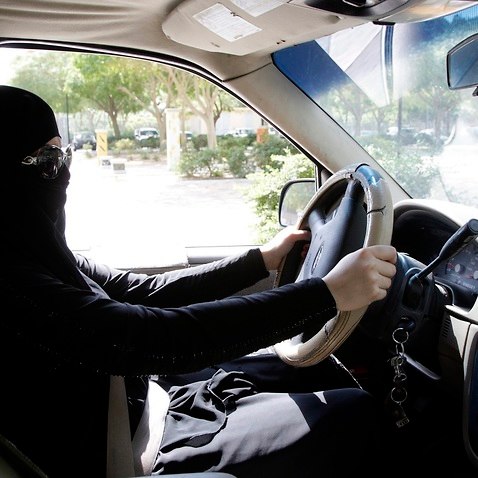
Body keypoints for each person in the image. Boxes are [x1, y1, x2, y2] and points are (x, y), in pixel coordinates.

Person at [0, 85, 397, 478]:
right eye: (48, 161)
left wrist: (260, 261)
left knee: (312, 373)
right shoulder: (12, 284)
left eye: (64, 154)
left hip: (138, 401)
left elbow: (141, 292)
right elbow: (140, 337)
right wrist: (326, 294)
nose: (64, 173)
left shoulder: (39, 254)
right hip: (130, 449)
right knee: (354, 413)